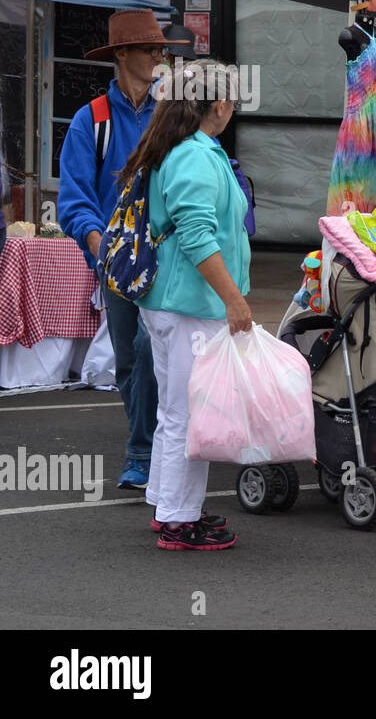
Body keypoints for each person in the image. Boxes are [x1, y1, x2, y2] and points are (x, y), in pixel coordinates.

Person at [118, 59, 250, 550]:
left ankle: (168, 504)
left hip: (173, 302)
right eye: (233, 99)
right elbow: (198, 237)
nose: (234, 107)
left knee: (176, 412)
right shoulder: (195, 155)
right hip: (191, 305)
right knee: (192, 416)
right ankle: (178, 519)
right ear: (218, 104)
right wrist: (234, 300)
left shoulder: (185, 148)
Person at [58, 9, 167, 491]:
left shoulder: (172, 112)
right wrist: (104, 249)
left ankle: (147, 450)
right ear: (122, 55)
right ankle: (149, 446)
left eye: (162, 50)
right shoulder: (90, 120)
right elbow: (74, 200)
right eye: (151, 50)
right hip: (118, 265)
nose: (159, 58)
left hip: (170, 256)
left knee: (151, 350)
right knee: (130, 361)